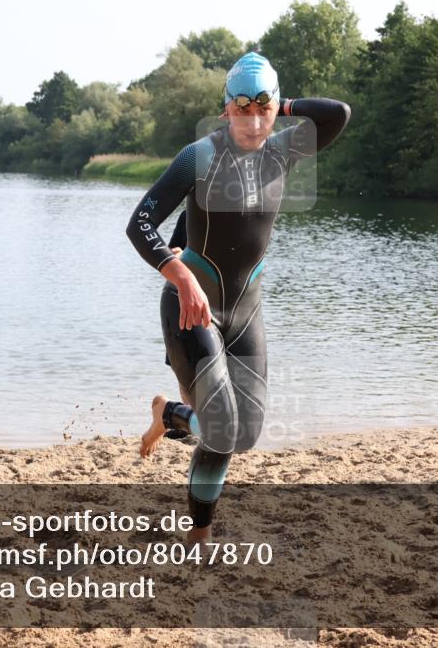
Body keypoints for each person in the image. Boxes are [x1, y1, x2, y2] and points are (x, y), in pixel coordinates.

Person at [124, 52, 350, 545]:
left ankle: (170, 416)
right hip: (192, 306)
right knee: (223, 428)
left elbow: (338, 114)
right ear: (224, 109)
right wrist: (179, 274)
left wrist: (280, 104)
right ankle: (200, 536)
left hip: (247, 312)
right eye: (241, 108)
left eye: (262, 108)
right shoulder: (200, 155)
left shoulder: (283, 151)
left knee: (243, 434)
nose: (252, 121)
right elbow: (140, 224)